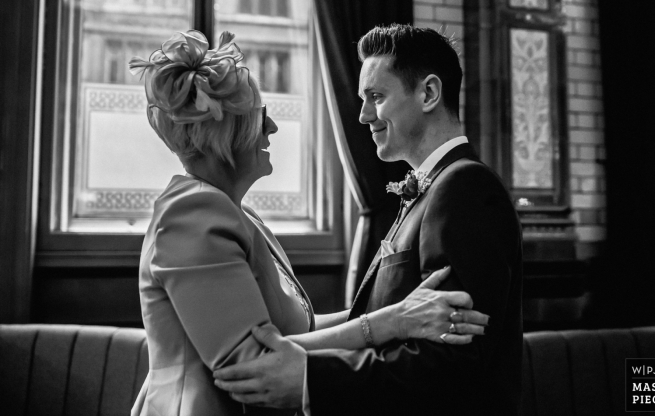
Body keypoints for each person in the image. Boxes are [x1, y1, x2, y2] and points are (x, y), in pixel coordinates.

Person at [127, 30, 489, 416]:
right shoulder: (194, 211)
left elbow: (298, 332)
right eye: (261, 117)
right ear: (224, 132)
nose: (272, 129)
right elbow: (252, 365)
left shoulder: (240, 215)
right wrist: (392, 321)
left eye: (377, 96)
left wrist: (399, 314)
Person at [213, 24, 524, 416]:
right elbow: (379, 317)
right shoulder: (434, 188)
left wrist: (312, 379)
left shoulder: (466, 189)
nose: (363, 116)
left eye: (376, 97)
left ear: (429, 93)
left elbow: (453, 360)